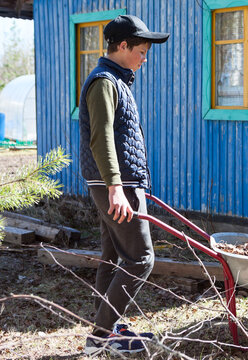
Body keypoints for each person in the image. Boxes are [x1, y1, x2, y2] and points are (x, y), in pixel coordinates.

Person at [78, 14, 169, 355]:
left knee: (114, 255)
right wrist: (116, 186)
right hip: (115, 183)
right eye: (141, 51)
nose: (145, 58)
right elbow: (101, 137)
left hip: (120, 181)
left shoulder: (117, 80)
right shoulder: (104, 81)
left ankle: (107, 329)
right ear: (122, 46)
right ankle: (102, 336)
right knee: (141, 258)